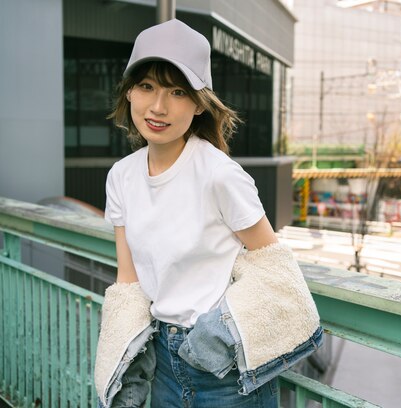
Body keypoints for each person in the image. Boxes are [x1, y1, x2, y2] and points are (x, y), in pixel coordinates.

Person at [94, 19, 322, 408]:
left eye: (177, 91)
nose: (158, 106)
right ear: (129, 91)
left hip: (226, 368)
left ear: (199, 102)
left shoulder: (218, 174)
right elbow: (128, 282)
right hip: (162, 362)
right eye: (146, 86)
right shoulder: (121, 177)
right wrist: (122, 364)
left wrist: (216, 333)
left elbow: (274, 267)